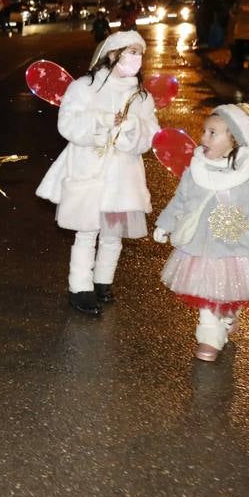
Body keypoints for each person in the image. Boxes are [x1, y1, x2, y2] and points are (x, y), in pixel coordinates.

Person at [36, 29, 160, 317]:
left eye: (139, 53)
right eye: (130, 51)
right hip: (88, 171)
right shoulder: (84, 87)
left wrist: (131, 128)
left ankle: (103, 282)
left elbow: (150, 134)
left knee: (112, 234)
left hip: (123, 177)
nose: (135, 58)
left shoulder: (141, 96)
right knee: (86, 232)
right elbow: (67, 123)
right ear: (112, 54)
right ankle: (80, 287)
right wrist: (102, 123)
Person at [153, 104, 249, 361]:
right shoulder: (196, 170)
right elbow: (180, 201)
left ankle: (227, 318)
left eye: (213, 133)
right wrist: (165, 224)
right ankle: (209, 339)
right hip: (200, 248)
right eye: (204, 131)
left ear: (234, 138)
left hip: (237, 250)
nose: (203, 138)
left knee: (230, 294)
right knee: (206, 296)